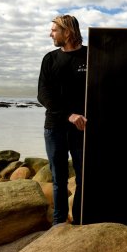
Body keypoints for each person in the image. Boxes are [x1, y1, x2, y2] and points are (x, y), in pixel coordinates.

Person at [37, 15, 88, 226]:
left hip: (82, 128)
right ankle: (58, 225)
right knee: (59, 180)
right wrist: (70, 114)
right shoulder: (50, 59)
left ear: (67, 32)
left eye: (54, 30)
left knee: (84, 178)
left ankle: (80, 220)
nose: (50, 34)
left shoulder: (90, 56)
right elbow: (43, 95)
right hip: (55, 128)